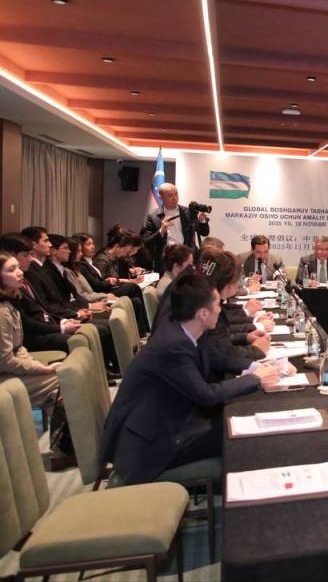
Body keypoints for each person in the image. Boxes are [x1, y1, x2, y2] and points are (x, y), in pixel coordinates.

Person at [100, 273, 285, 485]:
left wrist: (257, 367)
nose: (220, 310)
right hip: (151, 444)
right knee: (241, 433)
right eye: (217, 305)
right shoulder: (172, 346)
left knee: (238, 419)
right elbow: (206, 395)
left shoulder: (186, 327)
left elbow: (218, 359)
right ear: (203, 313)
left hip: (171, 419)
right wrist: (254, 379)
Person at [0, 251, 61, 414]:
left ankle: (63, 427)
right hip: (3, 378)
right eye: (11, 269)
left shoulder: (10, 304)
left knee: (63, 382)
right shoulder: (2, 312)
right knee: (65, 380)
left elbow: (18, 348)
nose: (20, 272)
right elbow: (4, 361)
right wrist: (43, 370)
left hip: (9, 372)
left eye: (18, 267)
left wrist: (38, 367)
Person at [0, 234, 79, 351]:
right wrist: (61, 327)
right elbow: (26, 323)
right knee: (78, 341)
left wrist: (62, 321)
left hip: (44, 327)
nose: (30, 259)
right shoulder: (8, 296)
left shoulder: (21, 281)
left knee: (84, 335)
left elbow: (42, 308)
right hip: (31, 337)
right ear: (11, 254)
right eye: (26, 255)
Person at [141, 182, 210, 273]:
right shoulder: (153, 216)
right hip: (166, 261)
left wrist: (202, 221)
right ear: (161, 197)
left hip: (187, 258)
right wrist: (161, 230)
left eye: (176, 194)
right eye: (170, 195)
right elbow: (147, 241)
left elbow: (204, 232)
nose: (174, 198)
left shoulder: (188, 212)